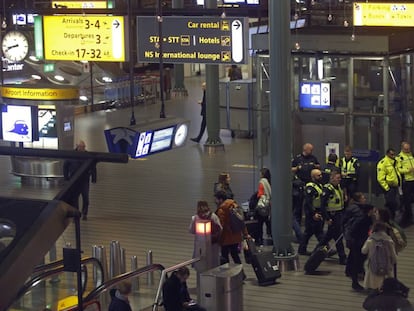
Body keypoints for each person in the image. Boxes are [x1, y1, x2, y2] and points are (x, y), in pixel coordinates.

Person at [342, 192, 374, 291]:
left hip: (355, 239)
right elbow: (353, 228)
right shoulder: (363, 218)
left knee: (353, 257)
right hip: (357, 240)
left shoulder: (360, 214)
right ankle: (356, 279)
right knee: (357, 260)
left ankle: (350, 272)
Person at [314, 170, 347, 265]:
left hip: (338, 215)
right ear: (332, 178)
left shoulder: (338, 187)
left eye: (340, 178)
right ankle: (342, 257)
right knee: (337, 237)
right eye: (337, 178)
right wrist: (327, 218)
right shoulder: (327, 189)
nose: (339, 180)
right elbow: (322, 206)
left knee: (329, 237)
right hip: (332, 216)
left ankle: (316, 252)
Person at [63, 140, 97, 221]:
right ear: (77, 146)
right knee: (75, 198)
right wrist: (66, 177)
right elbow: (65, 166)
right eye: (82, 147)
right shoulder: (71, 155)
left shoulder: (88, 155)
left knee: (86, 198)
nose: (83, 148)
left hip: (84, 180)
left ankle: (84, 213)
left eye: (84, 147)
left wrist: (94, 178)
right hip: (74, 180)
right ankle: (76, 214)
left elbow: (93, 167)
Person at [214, 190, 250, 266]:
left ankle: (226, 274)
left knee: (225, 258)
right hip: (236, 236)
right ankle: (241, 274)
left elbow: (220, 226)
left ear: (220, 199)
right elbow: (241, 221)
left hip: (226, 238)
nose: (215, 201)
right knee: (235, 255)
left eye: (216, 199)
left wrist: (216, 237)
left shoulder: (222, 210)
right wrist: (245, 234)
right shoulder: (234, 205)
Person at [361, 221, 397, 291]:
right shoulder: (389, 240)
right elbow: (394, 256)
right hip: (386, 267)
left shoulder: (370, 240)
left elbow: (363, 251)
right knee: (385, 285)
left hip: (373, 266)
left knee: (374, 286)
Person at [291, 143, 320, 228]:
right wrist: (297, 168)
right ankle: (297, 224)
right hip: (300, 185)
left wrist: (315, 166)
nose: (311, 151)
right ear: (305, 149)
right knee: (298, 206)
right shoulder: (298, 158)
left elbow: (318, 166)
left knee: (309, 205)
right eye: (310, 149)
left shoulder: (313, 158)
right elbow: (291, 168)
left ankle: (310, 222)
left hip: (310, 185)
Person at [298, 169, 325, 256]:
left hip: (318, 211)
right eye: (318, 175)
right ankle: (325, 248)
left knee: (312, 232)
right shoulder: (310, 187)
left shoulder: (320, 185)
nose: (320, 176)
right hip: (312, 213)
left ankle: (302, 249)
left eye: (321, 175)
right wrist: (313, 213)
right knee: (315, 233)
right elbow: (308, 203)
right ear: (313, 177)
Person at [189, 201, 222, 268]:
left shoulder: (195, 218)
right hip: (213, 244)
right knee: (213, 263)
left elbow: (191, 230)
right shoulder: (213, 216)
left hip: (200, 244)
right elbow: (220, 228)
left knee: (201, 263)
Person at [377, 148, 402, 220]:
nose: (393, 156)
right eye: (391, 154)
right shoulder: (383, 163)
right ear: (387, 154)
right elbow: (380, 178)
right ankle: (387, 219)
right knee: (390, 204)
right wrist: (387, 188)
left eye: (394, 154)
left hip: (396, 187)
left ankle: (392, 219)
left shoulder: (395, 161)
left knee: (394, 205)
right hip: (389, 187)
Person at [397, 141, 414, 227]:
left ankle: (410, 216)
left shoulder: (411, 155)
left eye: (408, 149)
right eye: (406, 149)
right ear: (402, 148)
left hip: (413, 179)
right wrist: (408, 170)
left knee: (410, 200)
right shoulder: (400, 158)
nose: (407, 150)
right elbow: (398, 170)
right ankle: (407, 218)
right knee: (406, 201)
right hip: (406, 181)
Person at [255, 167, 272, 246]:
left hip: (263, 206)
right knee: (268, 222)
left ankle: (259, 239)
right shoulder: (270, 181)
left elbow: (260, 194)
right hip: (269, 205)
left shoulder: (262, 182)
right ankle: (272, 237)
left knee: (259, 223)